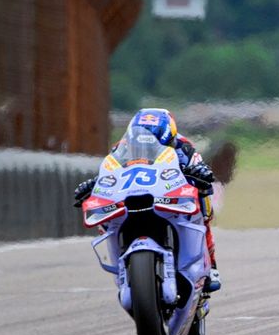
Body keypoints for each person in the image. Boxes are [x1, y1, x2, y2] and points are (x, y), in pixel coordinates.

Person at [74, 108, 222, 292]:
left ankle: (211, 264)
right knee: (105, 213)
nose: (146, 147)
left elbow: (200, 168)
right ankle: (121, 261)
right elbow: (110, 173)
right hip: (133, 195)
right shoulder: (120, 148)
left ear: (169, 138)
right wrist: (94, 184)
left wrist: (200, 172)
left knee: (204, 206)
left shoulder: (184, 148)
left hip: (168, 194)